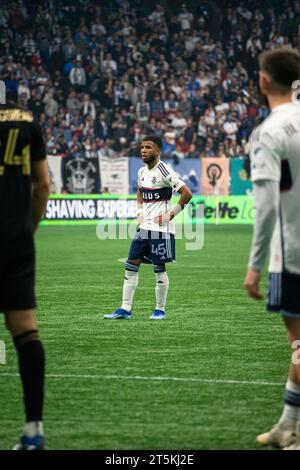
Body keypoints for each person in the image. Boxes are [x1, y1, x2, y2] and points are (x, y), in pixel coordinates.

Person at [244, 47, 300, 450]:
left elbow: (265, 207)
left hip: (293, 255)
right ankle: (286, 426)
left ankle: (289, 431)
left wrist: (254, 266)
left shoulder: (268, 131)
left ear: (264, 80)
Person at [0, 99, 50, 449]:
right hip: (16, 238)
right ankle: (34, 430)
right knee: (26, 333)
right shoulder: (25, 121)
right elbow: (43, 184)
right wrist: (28, 227)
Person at [104, 135, 192, 320]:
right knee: (131, 265)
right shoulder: (142, 172)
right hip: (144, 227)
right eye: (142, 147)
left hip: (161, 230)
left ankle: (160, 309)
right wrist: (139, 211)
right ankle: (125, 309)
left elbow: (187, 194)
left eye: (148, 147)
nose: (143, 150)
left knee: (159, 268)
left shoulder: (164, 171)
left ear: (158, 151)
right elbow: (139, 193)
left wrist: (171, 214)